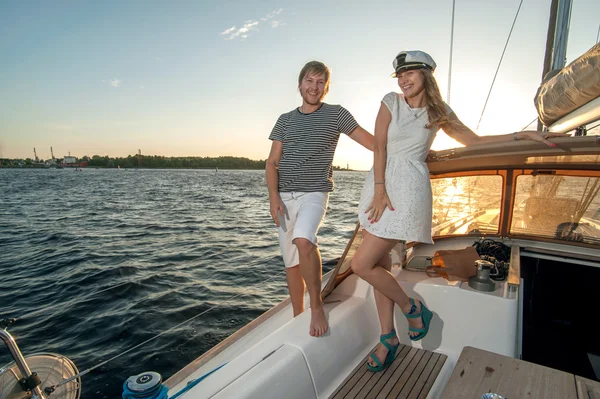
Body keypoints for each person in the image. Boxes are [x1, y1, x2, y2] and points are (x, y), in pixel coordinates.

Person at [350, 50, 567, 371]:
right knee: (379, 266)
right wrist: (379, 188)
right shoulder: (390, 101)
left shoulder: (439, 112)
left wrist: (522, 134)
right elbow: (379, 146)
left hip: (407, 189)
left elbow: (473, 141)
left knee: (361, 264)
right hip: (379, 186)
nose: (403, 79)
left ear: (427, 75)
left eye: (411, 72)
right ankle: (388, 338)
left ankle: (413, 309)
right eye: (400, 74)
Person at [266, 61, 374, 337]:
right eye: (309, 81)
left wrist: (403, 150)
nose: (314, 87)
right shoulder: (285, 119)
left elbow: (371, 142)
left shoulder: (337, 114)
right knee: (290, 260)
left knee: (303, 239)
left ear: (326, 88)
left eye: (320, 83)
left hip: (315, 192)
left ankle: (316, 304)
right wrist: (273, 198)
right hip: (284, 197)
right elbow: (272, 162)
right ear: (300, 84)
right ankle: (296, 314)